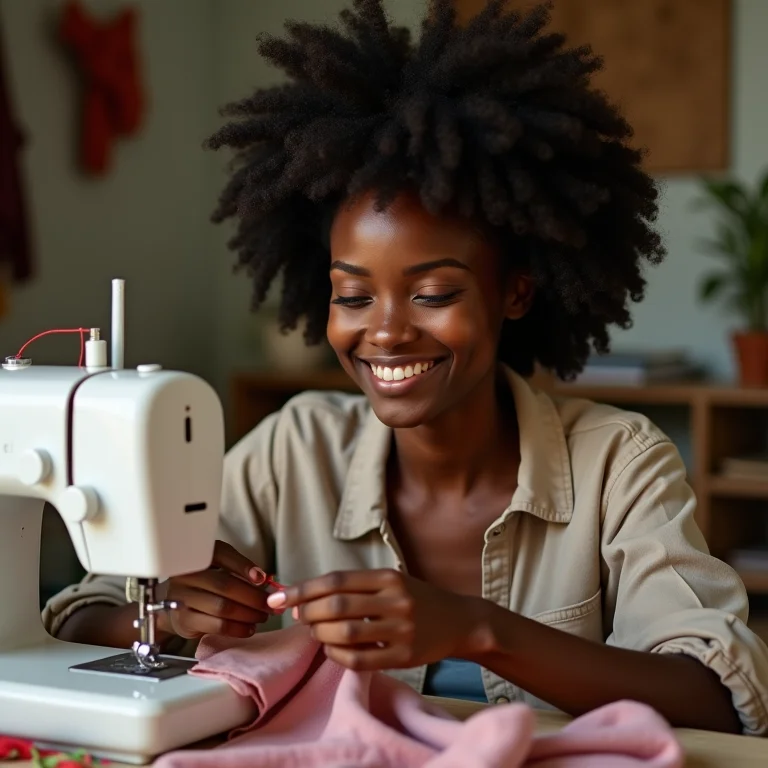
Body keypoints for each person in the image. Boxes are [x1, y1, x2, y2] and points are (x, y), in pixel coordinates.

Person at [45, 0, 768, 736]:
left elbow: (719, 699)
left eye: (434, 294)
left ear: (515, 292)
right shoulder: (294, 451)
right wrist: (170, 613)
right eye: (353, 296)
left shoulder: (618, 463)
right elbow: (78, 615)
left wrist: (478, 629)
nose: (386, 333)